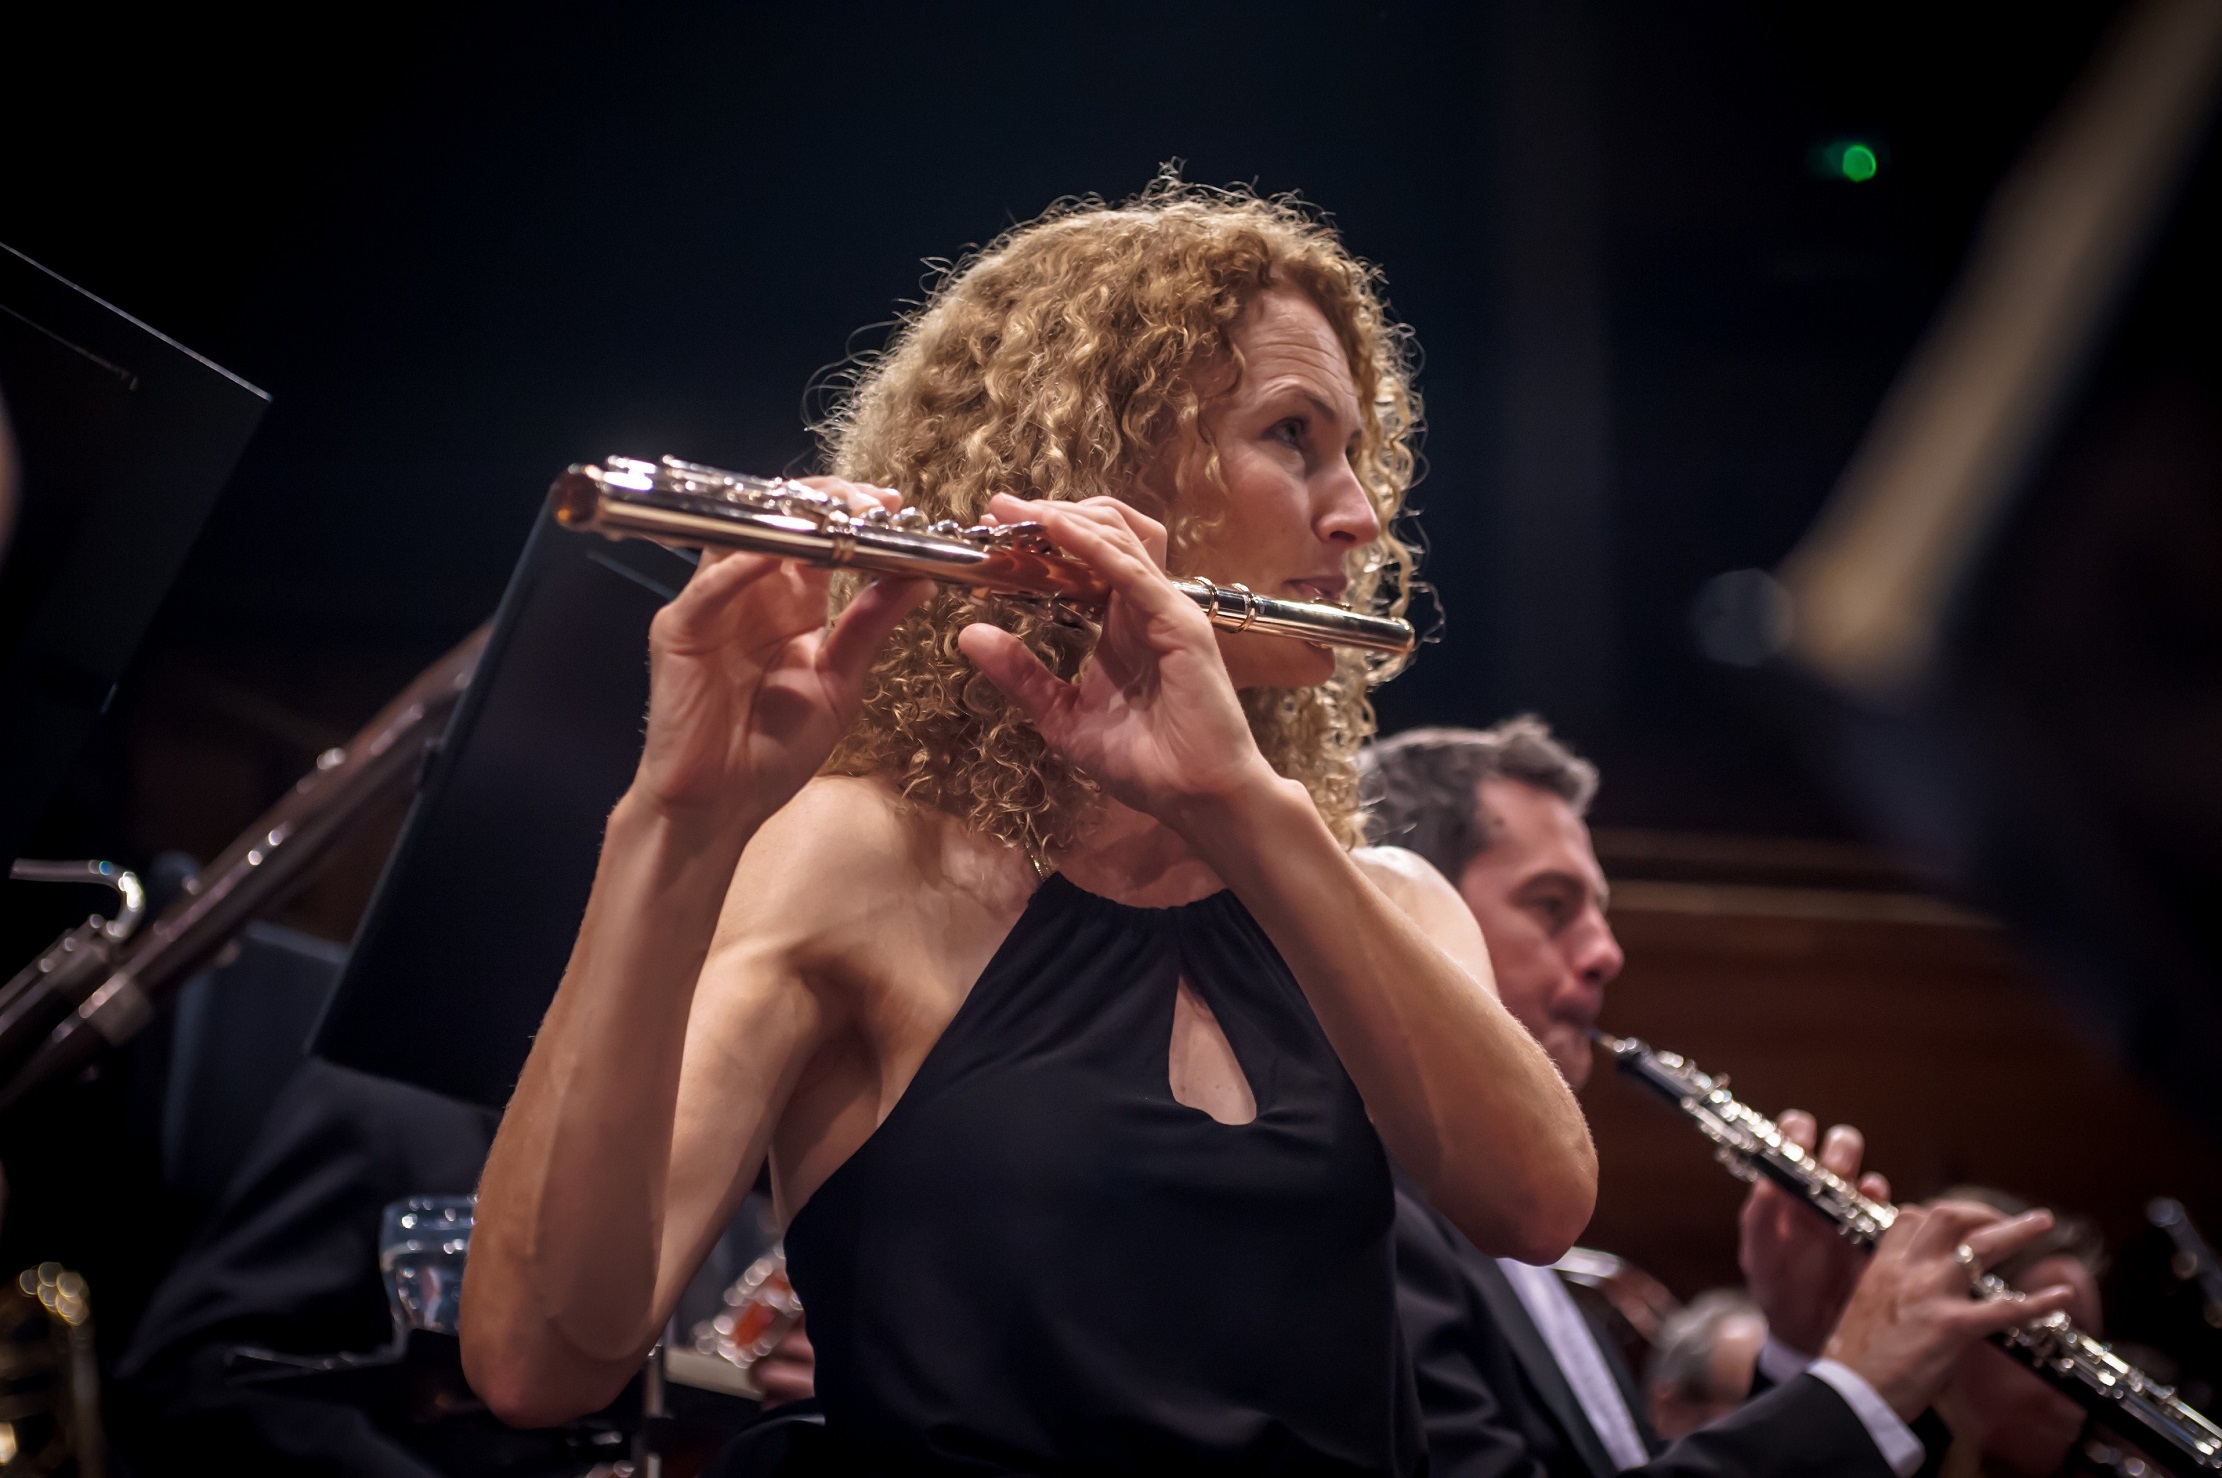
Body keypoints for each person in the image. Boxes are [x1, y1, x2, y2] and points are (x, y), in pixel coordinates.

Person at [461, 183, 1598, 1476]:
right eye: (1292, 435)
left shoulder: (1384, 900)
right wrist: (674, 822)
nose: (1357, 514)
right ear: (1099, 477)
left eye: (1355, 449)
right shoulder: (858, 864)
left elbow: (1535, 1202)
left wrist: (1236, 803)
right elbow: (539, 1359)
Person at [1361, 720, 2081, 1478]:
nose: (1607, 952)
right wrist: (1854, 1391)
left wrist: (1801, 1349)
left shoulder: (1508, 1225)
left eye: (1598, 910)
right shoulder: (1373, 1220)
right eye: (1550, 905)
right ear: (1417, 926)